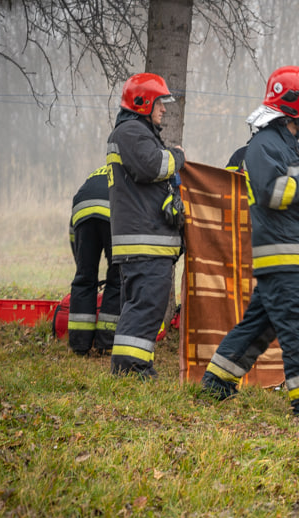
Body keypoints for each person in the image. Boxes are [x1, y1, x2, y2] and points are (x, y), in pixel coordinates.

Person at [200, 65, 299, 426]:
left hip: (290, 252)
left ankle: (216, 383)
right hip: (280, 254)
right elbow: (272, 192)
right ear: (293, 104)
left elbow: (298, 201)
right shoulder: (264, 145)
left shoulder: (287, 145)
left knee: (260, 324)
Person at [106, 72, 186, 378]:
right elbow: (154, 166)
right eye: (159, 103)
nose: (163, 109)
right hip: (145, 242)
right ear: (142, 103)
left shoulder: (133, 133)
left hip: (145, 241)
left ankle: (129, 367)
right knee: (146, 307)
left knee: (142, 306)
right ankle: (132, 369)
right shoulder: (130, 133)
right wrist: (177, 156)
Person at [68, 165, 121, 355]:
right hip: (112, 212)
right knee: (117, 278)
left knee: (84, 278)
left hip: (81, 210)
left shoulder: (97, 173)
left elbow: (73, 234)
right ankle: (106, 343)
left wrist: (82, 266)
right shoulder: (128, 171)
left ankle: (79, 345)